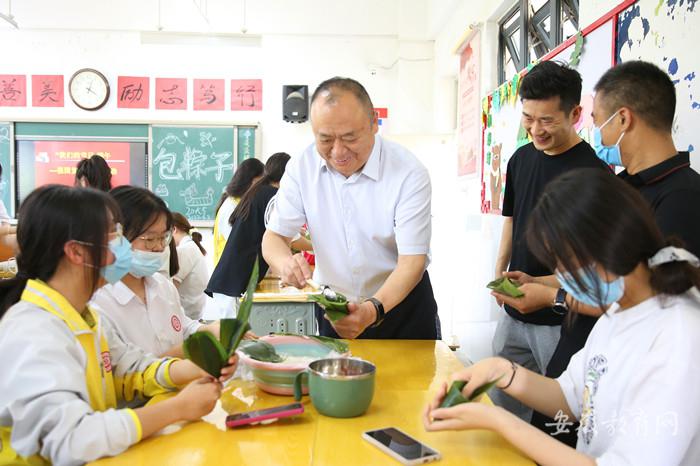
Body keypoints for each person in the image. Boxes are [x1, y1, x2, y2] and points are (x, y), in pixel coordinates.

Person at [424, 170, 700, 465]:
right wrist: (500, 371)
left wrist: (498, 420)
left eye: (565, 262)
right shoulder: (619, 310)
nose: (561, 276)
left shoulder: (679, 335)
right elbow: (571, 397)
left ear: (609, 243)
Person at [499, 60, 700, 444]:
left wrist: (552, 296)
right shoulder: (623, 188)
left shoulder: (683, 199)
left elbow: (645, 294)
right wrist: (539, 282)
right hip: (588, 366)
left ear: (622, 119)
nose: (595, 131)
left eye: (597, 119)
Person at [0, 185, 236, 465]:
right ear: (76, 252)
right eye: (114, 233)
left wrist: (196, 366)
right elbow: (72, 440)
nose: (122, 244)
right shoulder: (33, 331)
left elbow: (130, 370)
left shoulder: (85, 317)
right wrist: (178, 408)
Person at [263, 77, 439, 340]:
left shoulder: (408, 172)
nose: (338, 151)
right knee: (335, 380)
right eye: (325, 139)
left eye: (349, 138)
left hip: (400, 307)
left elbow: (412, 261)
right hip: (335, 311)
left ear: (373, 122)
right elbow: (274, 238)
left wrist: (372, 310)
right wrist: (284, 263)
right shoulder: (302, 168)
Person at [491, 61, 610, 420]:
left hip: (561, 321)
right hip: (513, 312)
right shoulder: (520, 159)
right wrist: (499, 269)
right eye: (528, 118)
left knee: (557, 416)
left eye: (546, 120)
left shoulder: (594, 175)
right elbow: (511, 218)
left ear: (575, 113)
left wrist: (543, 289)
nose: (535, 130)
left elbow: (595, 266)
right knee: (503, 402)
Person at [91, 186, 215, 357]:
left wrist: (210, 331)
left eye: (164, 238)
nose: (159, 247)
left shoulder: (163, 285)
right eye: (149, 239)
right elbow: (125, 371)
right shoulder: (98, 301)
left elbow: (182, 326)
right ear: (116, 237)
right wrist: (182, 355)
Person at [206, 153, 290, 314]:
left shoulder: (258, 193)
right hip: (233, 284)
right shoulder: (270, 196)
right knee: (235, 336)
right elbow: (284, 236)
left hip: (231, 281)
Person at [213, 158, 264, 265]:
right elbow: (240, 245)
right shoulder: (230, 206)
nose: (261, 188)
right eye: (259, 183)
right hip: (227, 274)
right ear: (250, 181)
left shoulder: (241, 203)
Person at [171, 212, 208, 320]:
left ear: (174, 229)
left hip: (186, 317)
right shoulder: (191, 246)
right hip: (193, 315)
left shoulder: (185, 250)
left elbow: (171, 289)